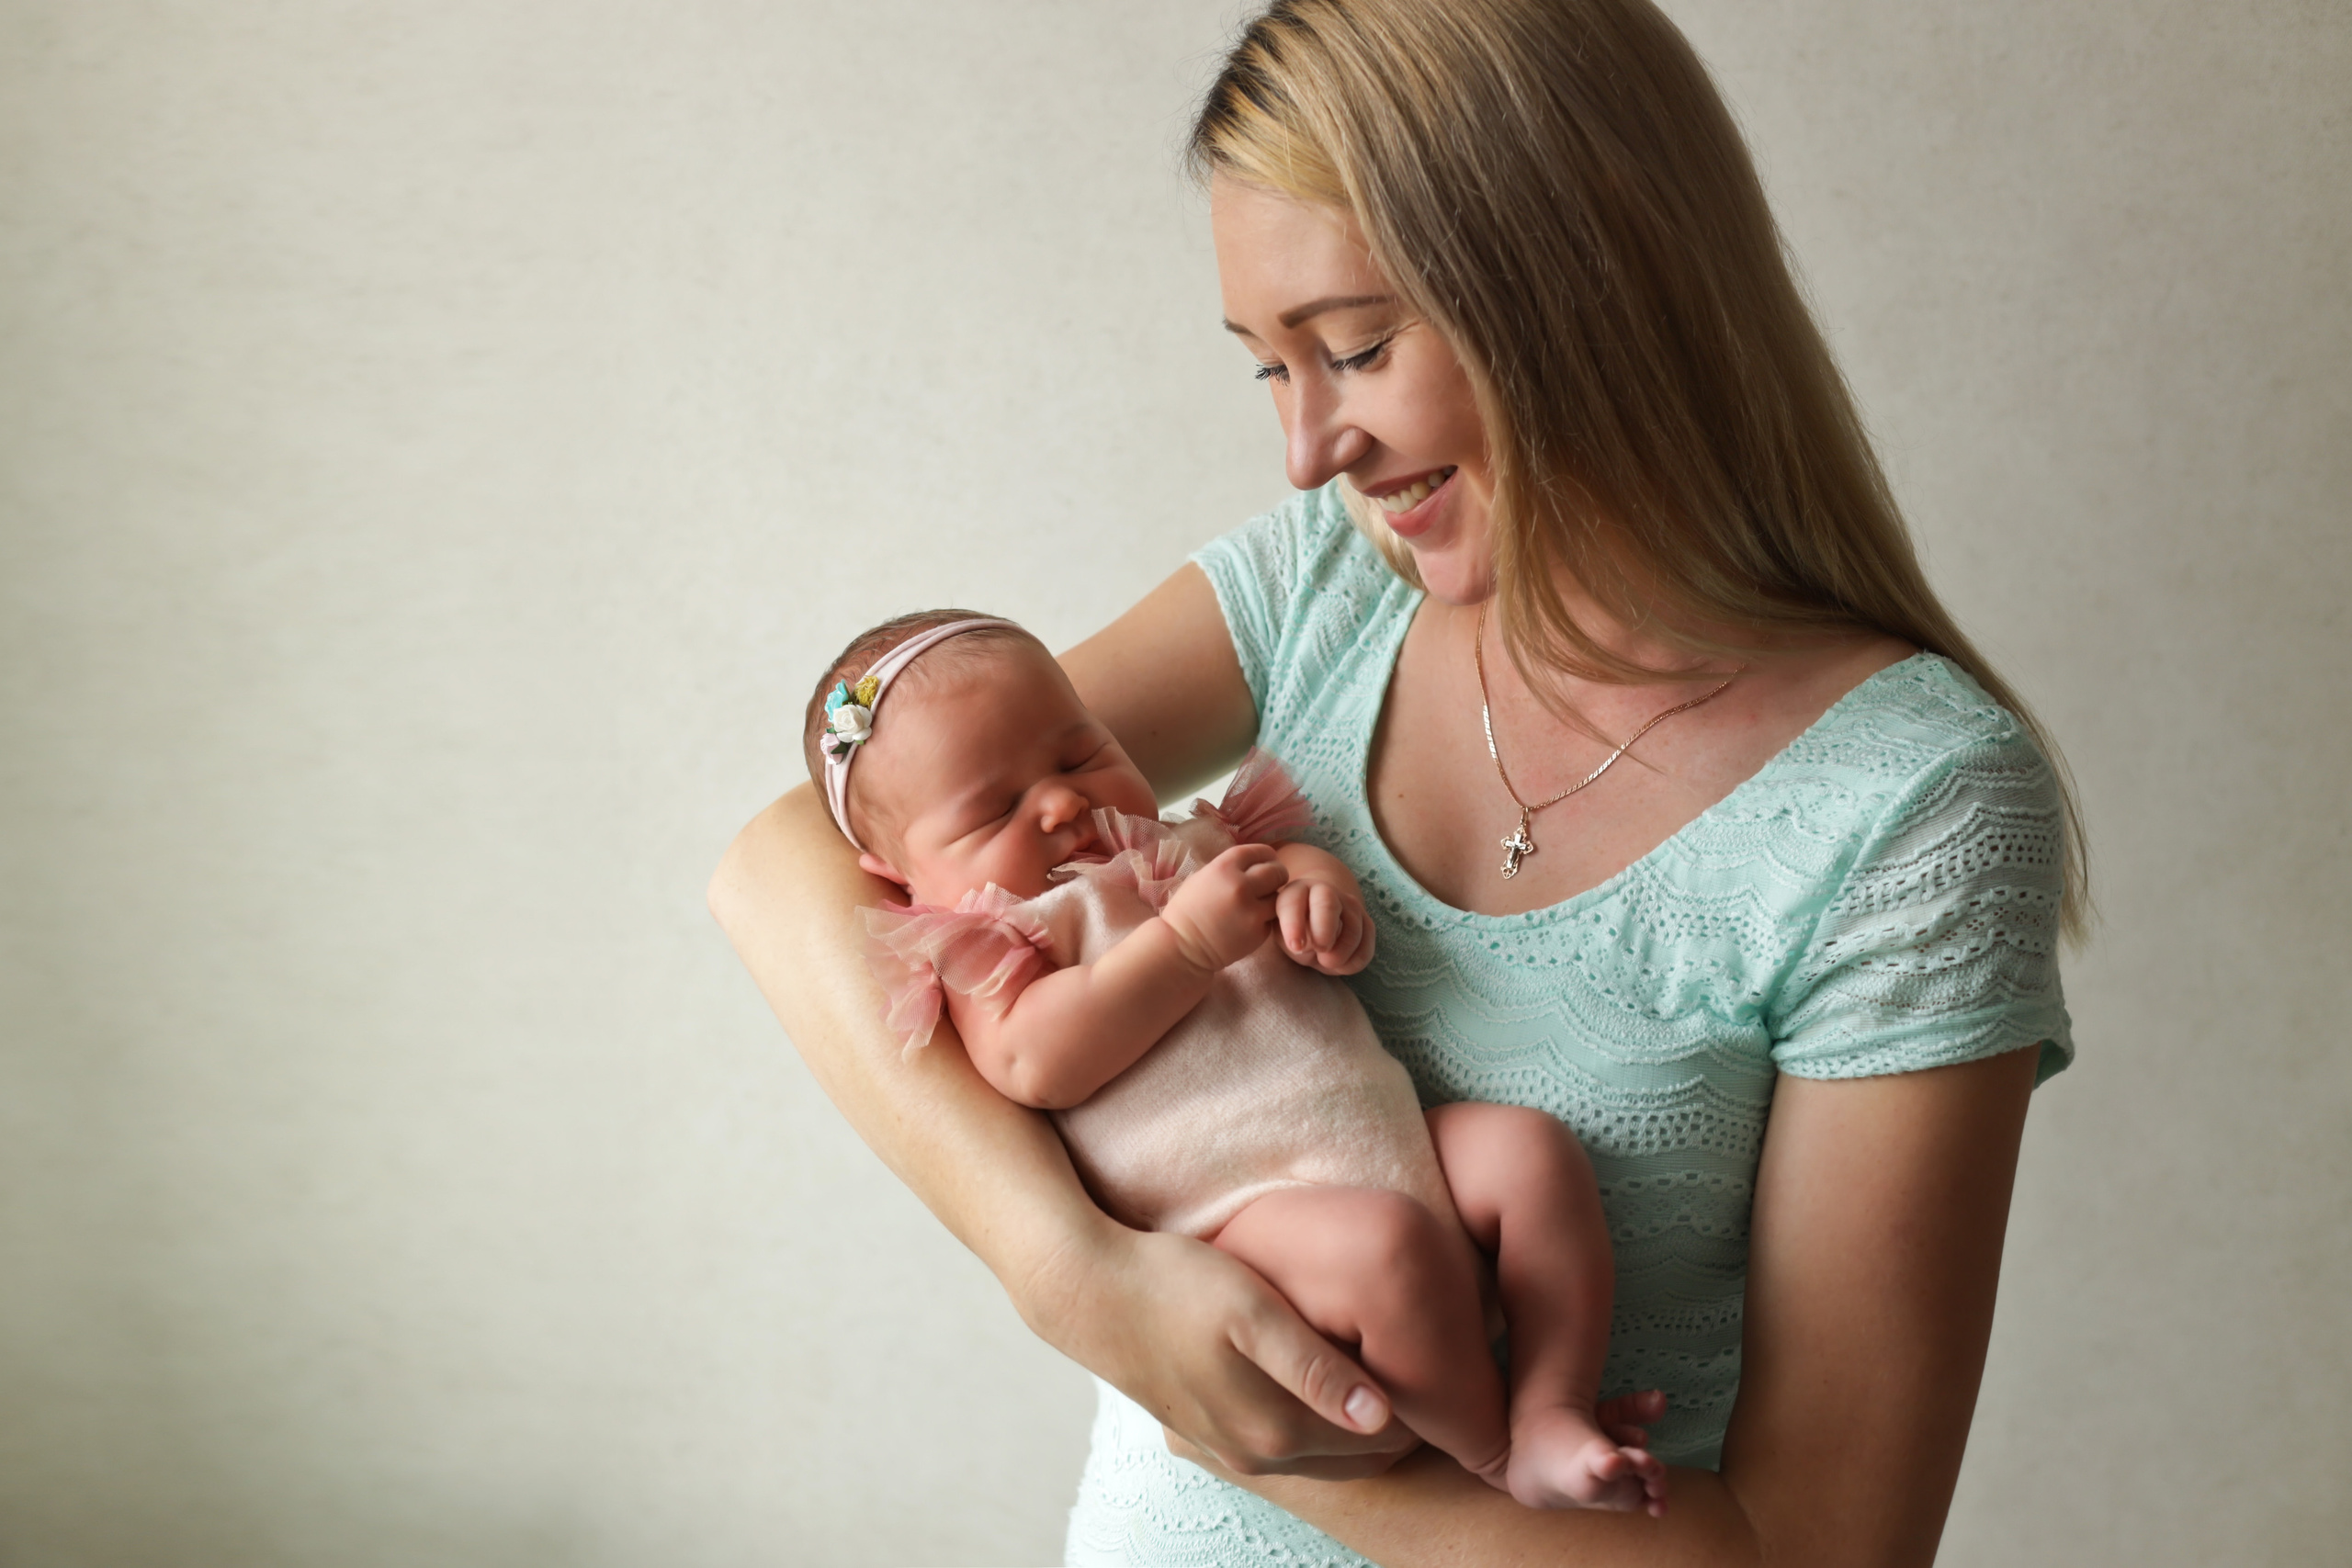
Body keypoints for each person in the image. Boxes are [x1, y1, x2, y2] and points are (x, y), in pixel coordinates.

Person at [711, 0, 2082, 1562]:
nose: (1308, 452)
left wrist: (1268, 1421)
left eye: (1356, 347)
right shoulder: (1326, 581)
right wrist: (1073, 1278)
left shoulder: (1913, 805)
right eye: (1265, 370)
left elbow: (1831, 1542)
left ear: (1587, 280)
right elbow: (786, 864)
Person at [806, 610, 1668, 1513]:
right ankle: (1496, 1457)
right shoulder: (996, 937)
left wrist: (1314, 895)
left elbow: (1280, 858)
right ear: (899, 874)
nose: (1060, 804)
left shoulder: (1179, 847)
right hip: (1244, 1223)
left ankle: (1550, 1405)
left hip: (1390, 1139)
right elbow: (1034, 1060)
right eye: (991, 810)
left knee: (1528, 1153)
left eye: (1077, 754)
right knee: (1388, 1250)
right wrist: (1181, 948)